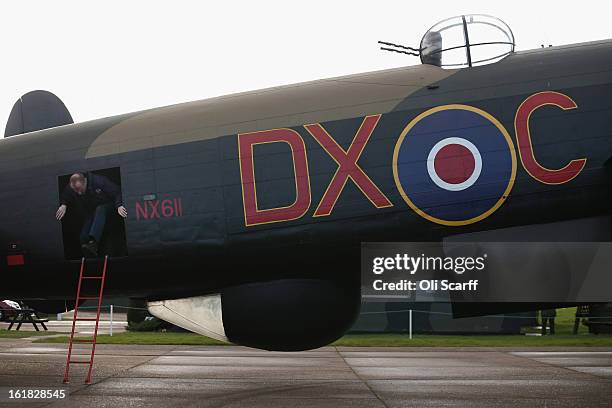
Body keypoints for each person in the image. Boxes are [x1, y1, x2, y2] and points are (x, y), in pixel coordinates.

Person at [56, 172, 127, 257]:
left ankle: (94, 243)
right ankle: (87, 250)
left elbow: (117, 191)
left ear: (84, 181)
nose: (78, 193)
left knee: (100, 209)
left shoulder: (99, 181)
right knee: (83, 235)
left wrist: (119, 205)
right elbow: (65, 194)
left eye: (79, 189)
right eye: (76, 191)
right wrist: (64, 205)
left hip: (110, 208)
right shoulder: (73, 187)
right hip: (93, 212)